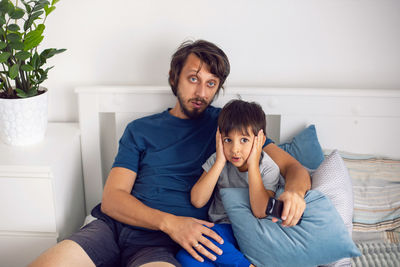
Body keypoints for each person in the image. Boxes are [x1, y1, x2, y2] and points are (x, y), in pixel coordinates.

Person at [29, 40, 310, 267]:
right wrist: (171, 223)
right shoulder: (139, 130)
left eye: (211, 83)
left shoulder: (229, 131)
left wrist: (295, 193)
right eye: (193, 79)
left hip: (161, 247)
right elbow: (113, 200)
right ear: (174, 77)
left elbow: (293, 169)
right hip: (112, 229)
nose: (201, 91)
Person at [176, 99, 281, 267]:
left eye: (244, 140)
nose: (235, 149)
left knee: (204, 243)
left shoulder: (268, 168)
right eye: (228, 140)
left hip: (251, 232)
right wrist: (219, 163)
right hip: (223, 229)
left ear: (260, 140)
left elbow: (261, 211)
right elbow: (197, 200)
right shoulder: (218, 160)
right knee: (186, 257)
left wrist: (253, 164)